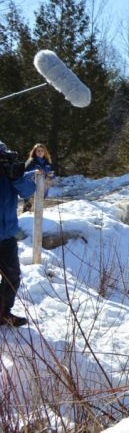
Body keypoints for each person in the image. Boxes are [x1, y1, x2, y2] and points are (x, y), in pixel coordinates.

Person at [0, 140, 35, 327]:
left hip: (6, 237)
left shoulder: (10, 174)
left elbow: (29, 190)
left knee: (12, 277)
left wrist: (16, 176)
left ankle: (3, 313)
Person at [23, 143, 55, 213]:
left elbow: (52, 175)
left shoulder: (47, 162)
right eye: (38, 151)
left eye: (42, 150)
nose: (40, 152)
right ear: (34, 152)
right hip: (30, 190)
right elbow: (23, 175)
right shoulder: (31, 161)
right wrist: (34, 172)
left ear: (45, 152)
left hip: (42, 189)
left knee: (39, 212)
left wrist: (51, 175)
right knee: (27, 213)